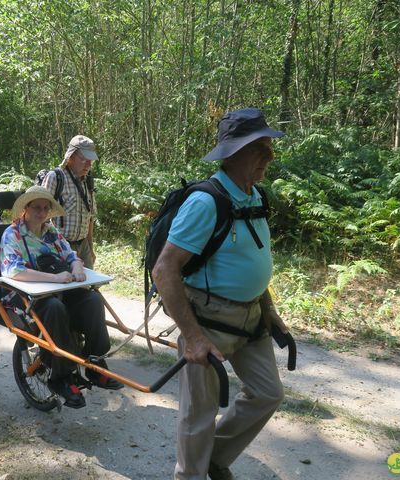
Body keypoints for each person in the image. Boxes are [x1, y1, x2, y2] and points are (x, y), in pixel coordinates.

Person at [152, 108, 289, 480]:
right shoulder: (205, 202)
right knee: (198, 415)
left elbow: (253, 259)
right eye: (260, 148)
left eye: (268, 146)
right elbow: (164, 269)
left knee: (267, 393)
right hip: (208, 322)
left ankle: (215, 457)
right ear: (235, 152)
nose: (270, 156)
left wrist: (269, 308)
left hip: (252, 318)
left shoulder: (254, 196)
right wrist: (193, 338)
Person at [0, 185, 123, 409]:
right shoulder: (13, 234)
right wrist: (54, 279)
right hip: (26, 296)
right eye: (37, 207)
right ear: (26, 208)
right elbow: (14, 271)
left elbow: (70, 254)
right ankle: (61, 377)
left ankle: (95, 363)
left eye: (46, 208)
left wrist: (77, 267)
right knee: (54, 308)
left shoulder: (51, 231)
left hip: (56, 290)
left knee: (92, 301)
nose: (42, 212)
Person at [41, 135, 98, 268]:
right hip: (59, 247)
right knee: (64, 286)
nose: (89, 164)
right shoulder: (56, 177)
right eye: (84, 159)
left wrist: (90, 247)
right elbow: (40, 217)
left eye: (91, 160)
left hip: (84, 247)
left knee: (87, 286)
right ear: (70, 156)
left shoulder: (88, 181)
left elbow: (90, 218)